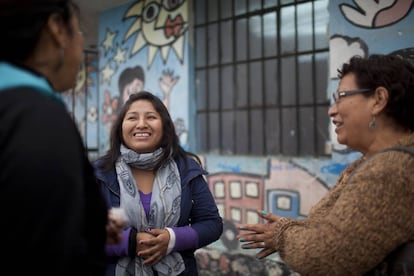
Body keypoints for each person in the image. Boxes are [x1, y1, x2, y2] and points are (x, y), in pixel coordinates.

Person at [237, 54, 414, 275]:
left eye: (340, 97)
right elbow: (345, 233)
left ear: (378, 99)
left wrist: (282, 234)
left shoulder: (390, 170)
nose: (332, 110)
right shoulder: (376, 162)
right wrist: (292, 229)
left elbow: (328, 256)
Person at [0, 0, 124, 275]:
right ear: (57, 29)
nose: (81, 49)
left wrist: (81, 222)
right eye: (79, 32)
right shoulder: (37, 119)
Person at [93, 91, 223, 276]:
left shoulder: (186, 169)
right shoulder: (101, 173)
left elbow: (212, 224)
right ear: (121, 127)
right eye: (132, 118)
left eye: (151, 117)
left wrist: (173, 239)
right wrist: (130, 242)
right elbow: (82, 231)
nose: (141, 124)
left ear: (164, 126)